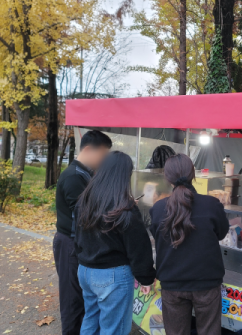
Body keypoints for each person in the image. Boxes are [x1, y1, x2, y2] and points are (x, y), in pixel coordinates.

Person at [74, 151, 156, 335]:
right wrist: (146, 278)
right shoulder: (124, 209)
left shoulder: (86, 200)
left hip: (85, 271)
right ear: (124, 175)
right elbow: (139, 247)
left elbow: (76, 236)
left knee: (90, 320)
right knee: (114, 329)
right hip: (111, 276)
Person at [150, 154, 229, 335]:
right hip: (207, 283)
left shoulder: (159, 208)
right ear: (193, 174)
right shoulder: (212, 204)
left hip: (172, 283)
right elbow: (222, 233)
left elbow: (157, 237)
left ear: (167, 177)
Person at [53, 130, 112, 335]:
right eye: (103, 155)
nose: (104, 161)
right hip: (70, 244)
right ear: (88, 150)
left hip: (78, 243)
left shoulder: (85, 174)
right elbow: (87, 215)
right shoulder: (73, 177)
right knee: (72, 301)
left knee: (82, 298)